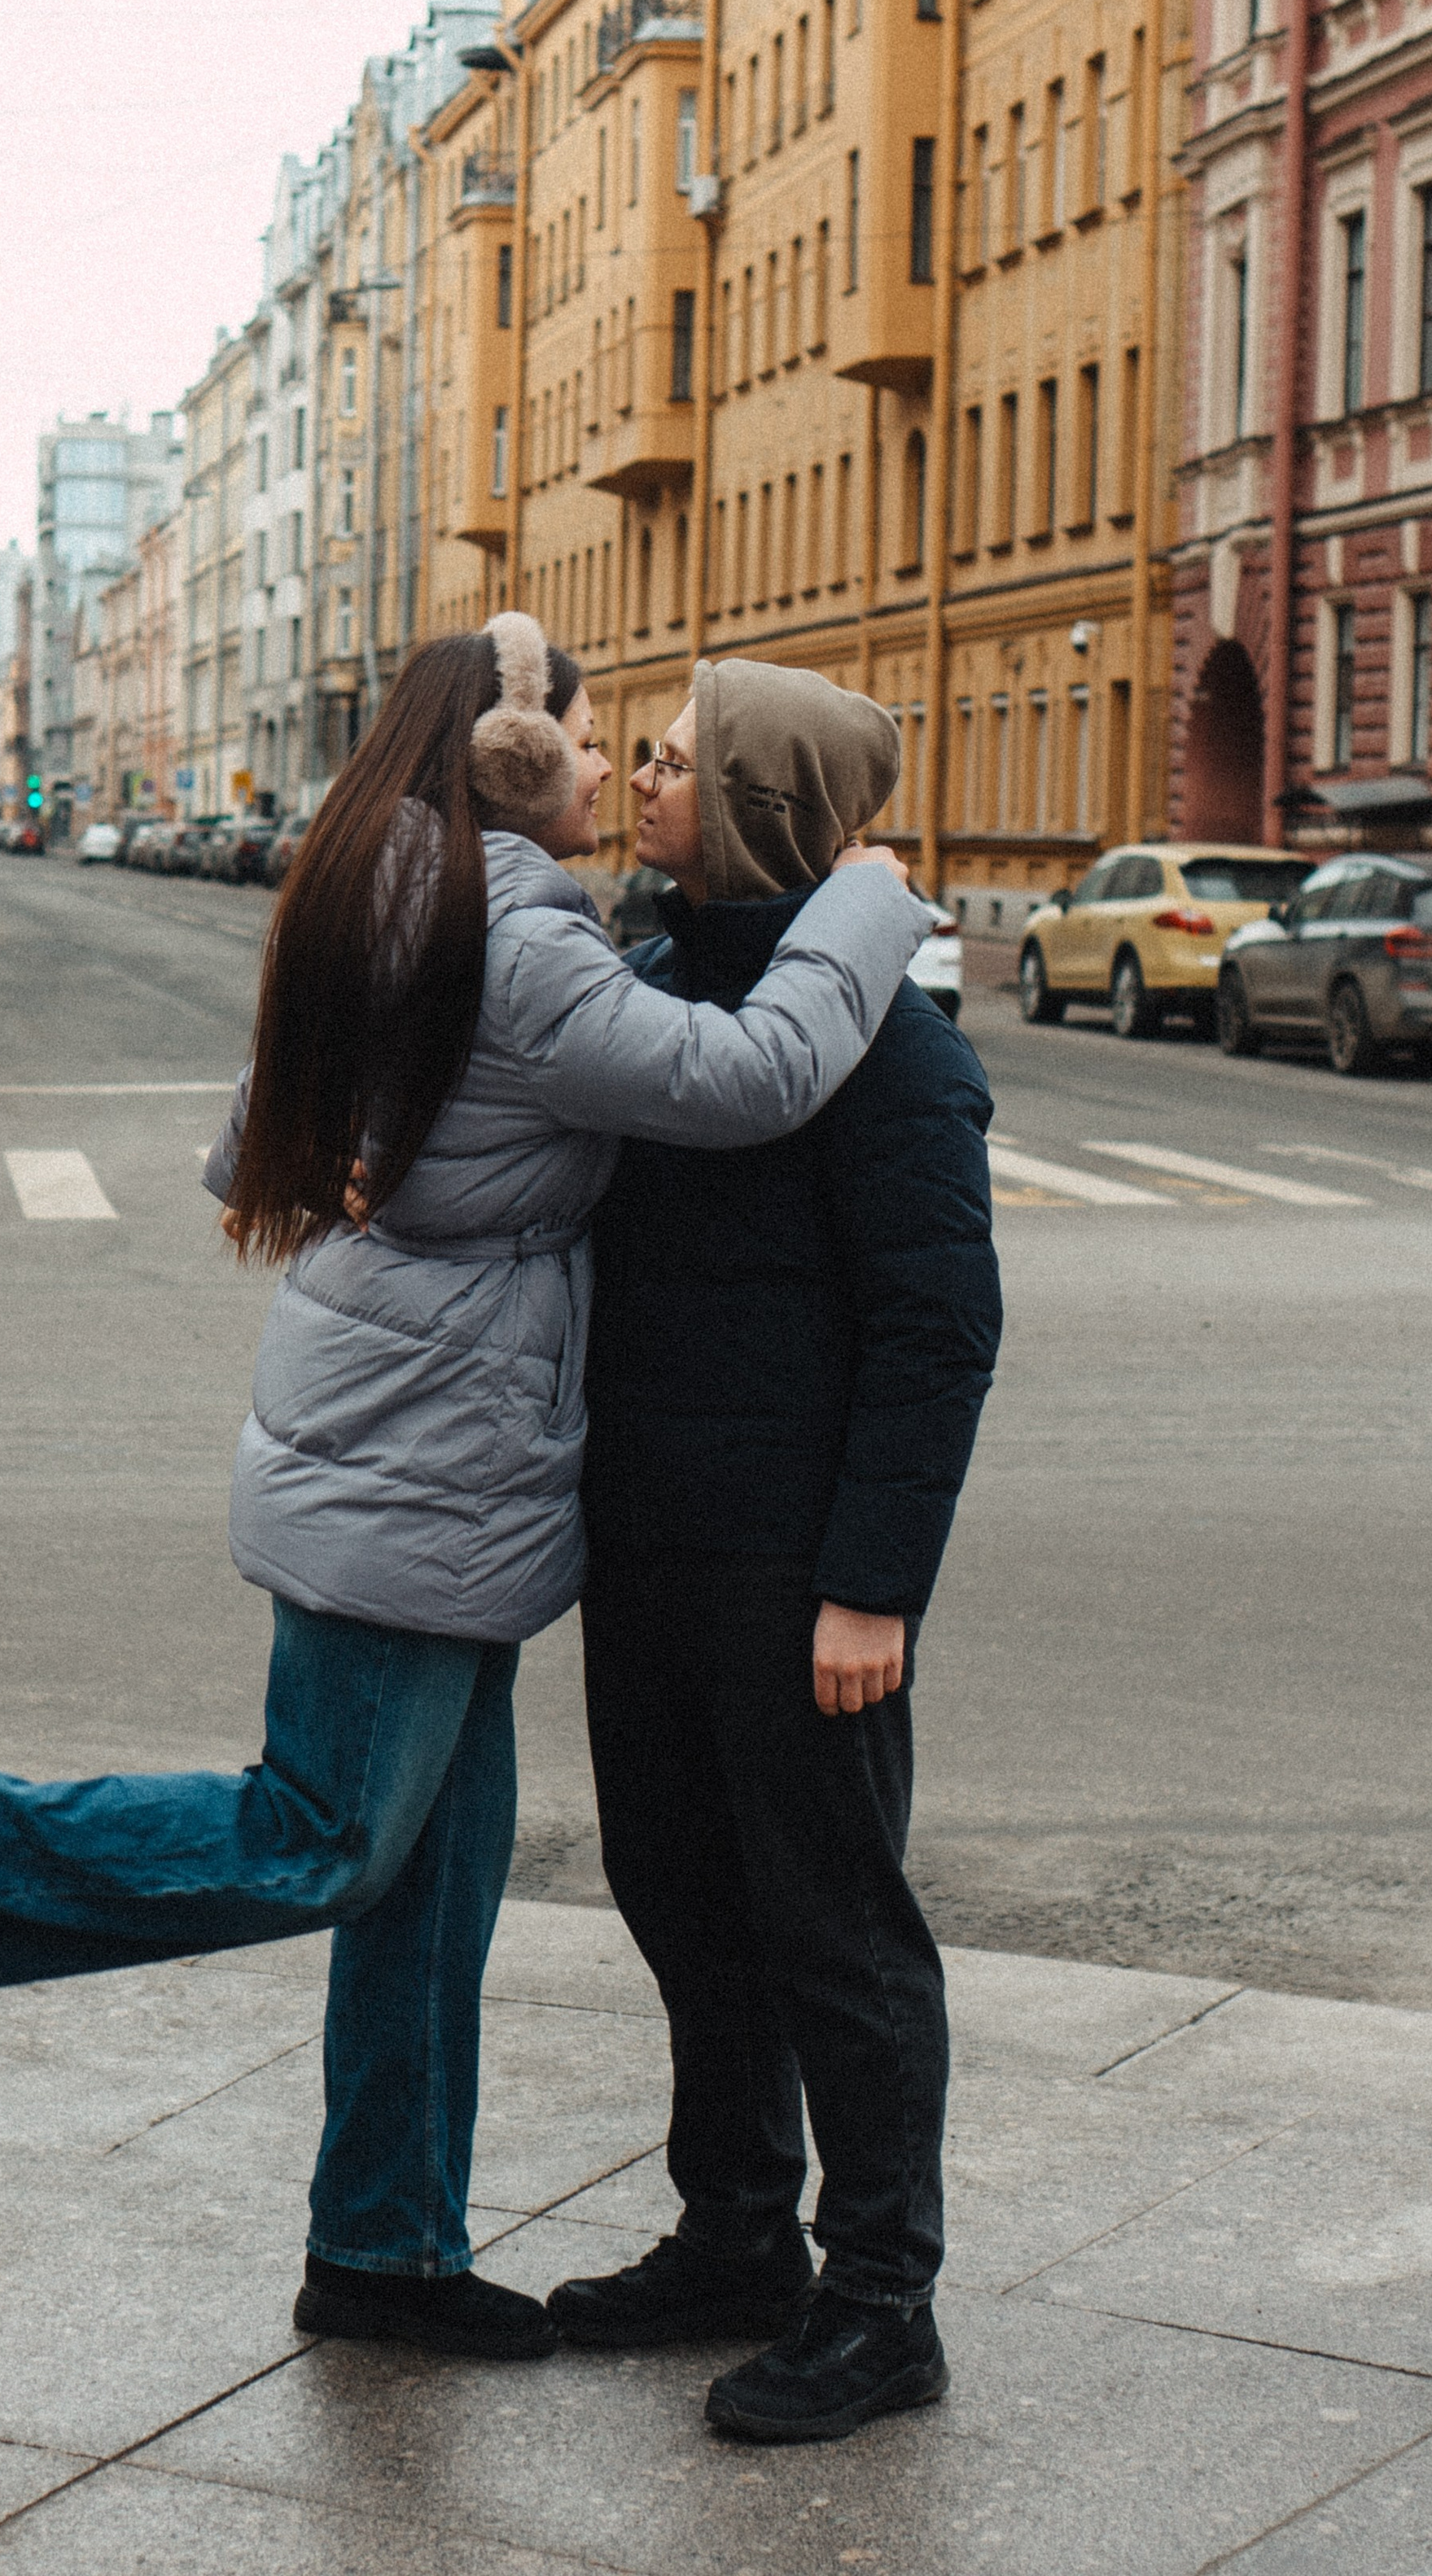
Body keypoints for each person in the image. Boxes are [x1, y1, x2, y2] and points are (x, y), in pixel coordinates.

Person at [0, 614, 933, 2364]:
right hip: (423, 1457)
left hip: (409, 1437)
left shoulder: (373, 893)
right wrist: (870, 899)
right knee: (323, 1836)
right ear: (512, 759)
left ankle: (379, 2248)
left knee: (429, 1881)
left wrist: (403, 1144)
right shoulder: (510, 935)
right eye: (596, 736)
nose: (615, 767)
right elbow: (753, 1076)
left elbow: (243, 1153)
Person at [547, 660, 1001, 2446]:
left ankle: (883, 2299)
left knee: (837, 1937)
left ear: (746, 805)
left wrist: (872, 1584)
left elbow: (934, 1330)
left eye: (669, 762)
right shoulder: (663, 987)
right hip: (649, 1549)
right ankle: (734, 2234)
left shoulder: (890, 1045)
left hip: (798, 1574)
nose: (641, 784)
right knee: (682, 1903)